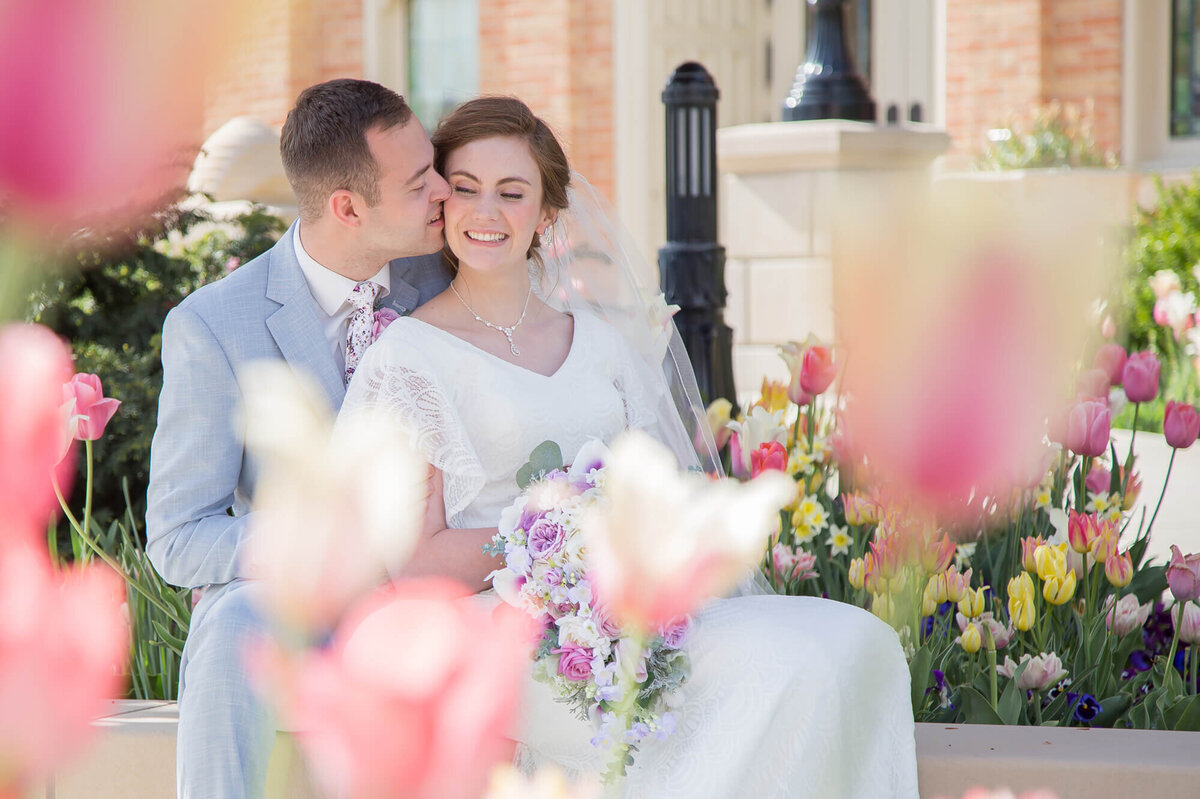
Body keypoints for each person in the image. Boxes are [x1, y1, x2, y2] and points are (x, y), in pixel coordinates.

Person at [341, 96, 920, 798]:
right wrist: (556, 544)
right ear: (441, 203)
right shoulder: (407, 356)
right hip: (504, 630)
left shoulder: (603, 343)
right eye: (465, 189)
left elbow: (668, 490)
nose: (485, 212)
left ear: (545, 214)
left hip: (634, 613)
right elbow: (410, 561)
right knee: (784, 669)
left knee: (857, 643)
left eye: (511, 192)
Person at [145, 78, 452, 799]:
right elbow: (179, 536)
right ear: (347, 207)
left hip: (443, 585)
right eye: (419, 181)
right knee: (229, 625)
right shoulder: (214, 325)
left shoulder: (450, 278)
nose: (445, 189)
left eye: (433, 165)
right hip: (306, 607)